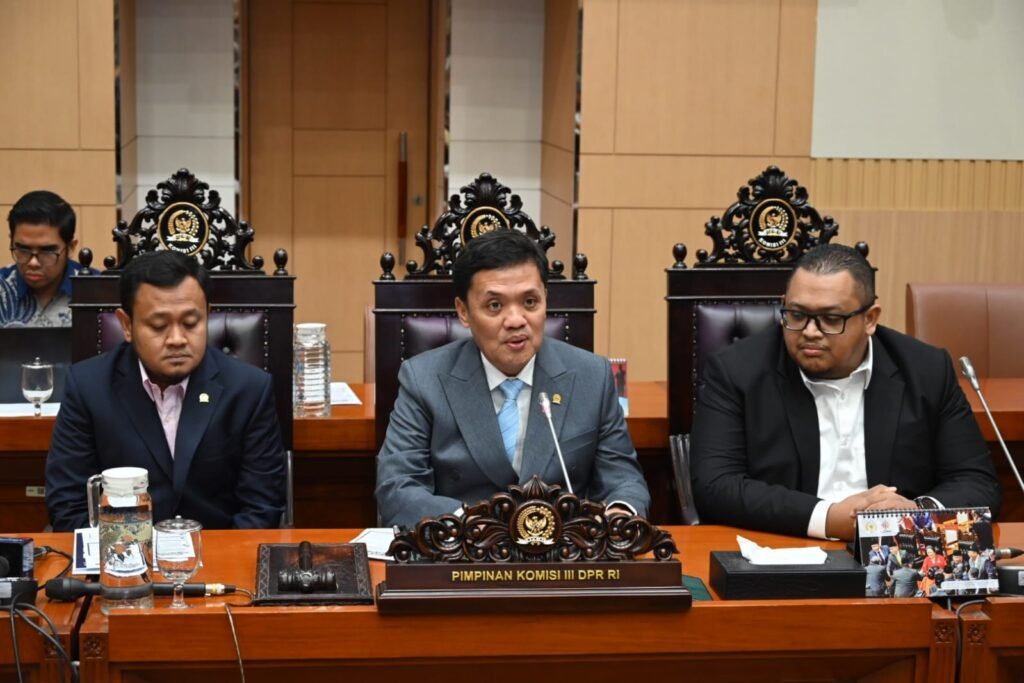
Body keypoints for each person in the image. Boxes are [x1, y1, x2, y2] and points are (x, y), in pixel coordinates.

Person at [691, 243, 1000, 541]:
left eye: (831, 319)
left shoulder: (926, 370)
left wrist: (917, 512)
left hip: (897, 551)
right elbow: (715, 486)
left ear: (870, 319)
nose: (810, 331)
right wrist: (828, 518)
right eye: (797, 315)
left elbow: (977, 482)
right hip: (784, 546)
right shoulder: (737, 371)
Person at [375, 229, 651, 528]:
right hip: (463, 547)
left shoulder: (592, 376)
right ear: (463, 312)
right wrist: (476, 526)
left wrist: (620, 515)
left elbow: (623, 479)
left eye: (530, 302)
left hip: (564, 550)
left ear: (546, 300)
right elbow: (398, 488)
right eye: (495, 305)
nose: (516, 320)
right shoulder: (423, 379)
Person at [45, 250, 286, 530]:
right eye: (159, 326)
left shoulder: (249, 389)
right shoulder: (88, 387)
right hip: (121, 551)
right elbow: (69, 504)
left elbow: (262, 507)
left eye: (191, 323)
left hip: (219, 551)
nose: (177, 339)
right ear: (127, 325)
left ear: (207, 316)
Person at [1, 190, 81, 327]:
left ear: (70, 248)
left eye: (47, 251)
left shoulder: (96, 291)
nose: (33, 263)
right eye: (23, 249)